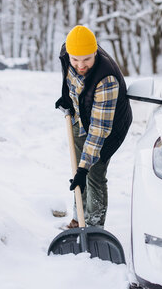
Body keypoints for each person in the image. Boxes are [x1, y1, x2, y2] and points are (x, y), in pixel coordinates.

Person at [55, 25, 132, 228]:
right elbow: (69, 76)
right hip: (81, 117)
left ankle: (93, 225)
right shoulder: (68, 51)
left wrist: (84, 168)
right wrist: (68, 98)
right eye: (75, 60)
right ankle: (78, 218)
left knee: (93, 173)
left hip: (108, 128)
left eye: (87, 59)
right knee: (78, 171)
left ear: (95, 52)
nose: (80, 65)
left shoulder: (106, 80)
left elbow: (98, 132)